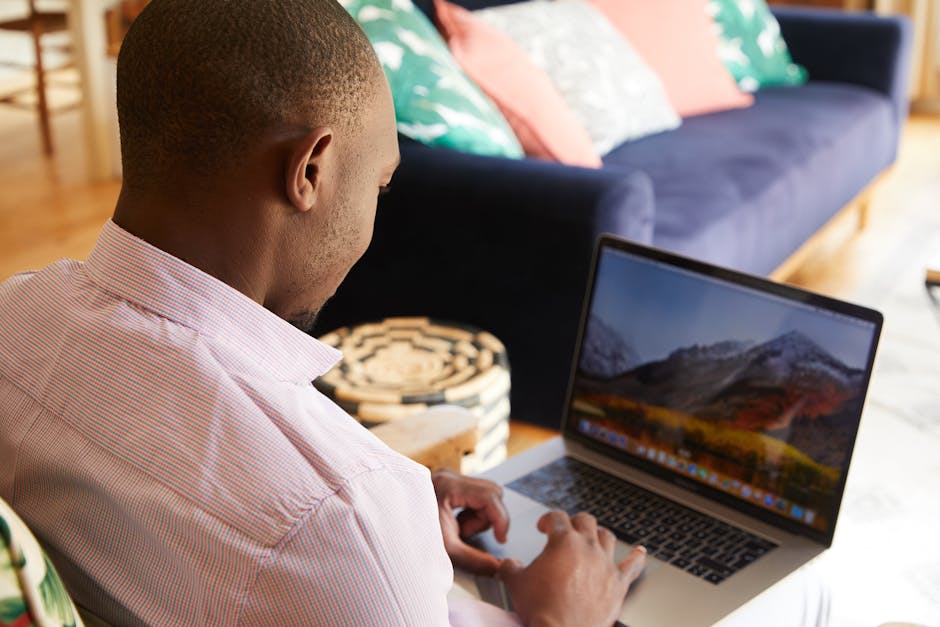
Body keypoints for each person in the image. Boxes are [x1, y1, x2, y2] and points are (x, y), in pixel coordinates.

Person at [0, 0, 646, 624]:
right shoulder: (336, 519)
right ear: (309, 168)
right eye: (379, 185)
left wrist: (402, 525)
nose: (374, 216)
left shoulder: (11, 318)